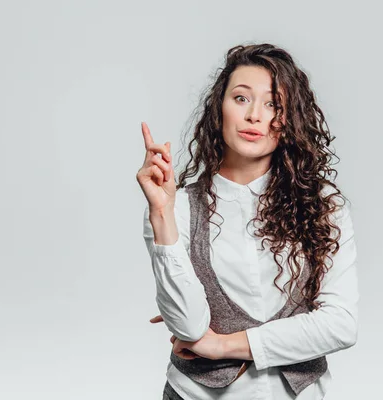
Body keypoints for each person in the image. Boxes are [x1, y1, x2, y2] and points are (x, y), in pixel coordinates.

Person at [136, 43, 359, 400]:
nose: (256, 115)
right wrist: (161, 214)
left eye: (273, 104)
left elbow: (340, 325)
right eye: (241, 99)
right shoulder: (176, 207)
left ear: (290, 120)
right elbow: (189, 327)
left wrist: (222, 345)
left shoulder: (323, 205)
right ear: (218, 110)